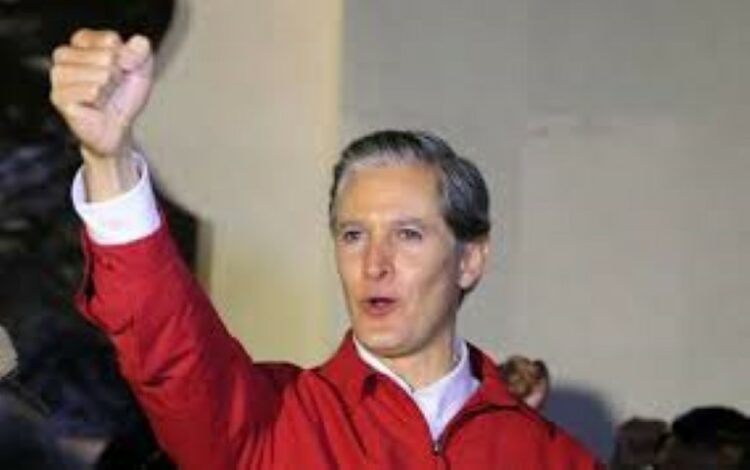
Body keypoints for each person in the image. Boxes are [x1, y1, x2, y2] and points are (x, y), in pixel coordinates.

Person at [49, 28, 602, 469]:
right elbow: (168, 347)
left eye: (408, 234)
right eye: (353, 235)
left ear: (470, 259)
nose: (374, 264)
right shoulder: (271, 423)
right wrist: (108, 159)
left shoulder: (551, 457)